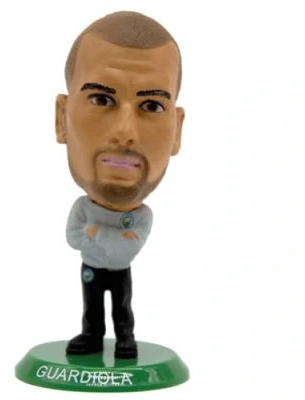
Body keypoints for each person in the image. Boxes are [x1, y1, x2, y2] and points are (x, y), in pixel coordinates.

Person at [55, 10, 185, 359]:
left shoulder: (140, 217)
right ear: (61, 119)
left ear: (177, 131)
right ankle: (92, 335)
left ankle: (125, 337)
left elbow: (127, 250)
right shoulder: (83, 210)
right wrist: (110, 238)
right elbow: (75, 238)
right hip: (91, 268)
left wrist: (96, 234)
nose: (125, 132)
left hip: (116, 270)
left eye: (151, 105)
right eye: (102, 99)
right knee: (92, 305)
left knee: (122, 306)